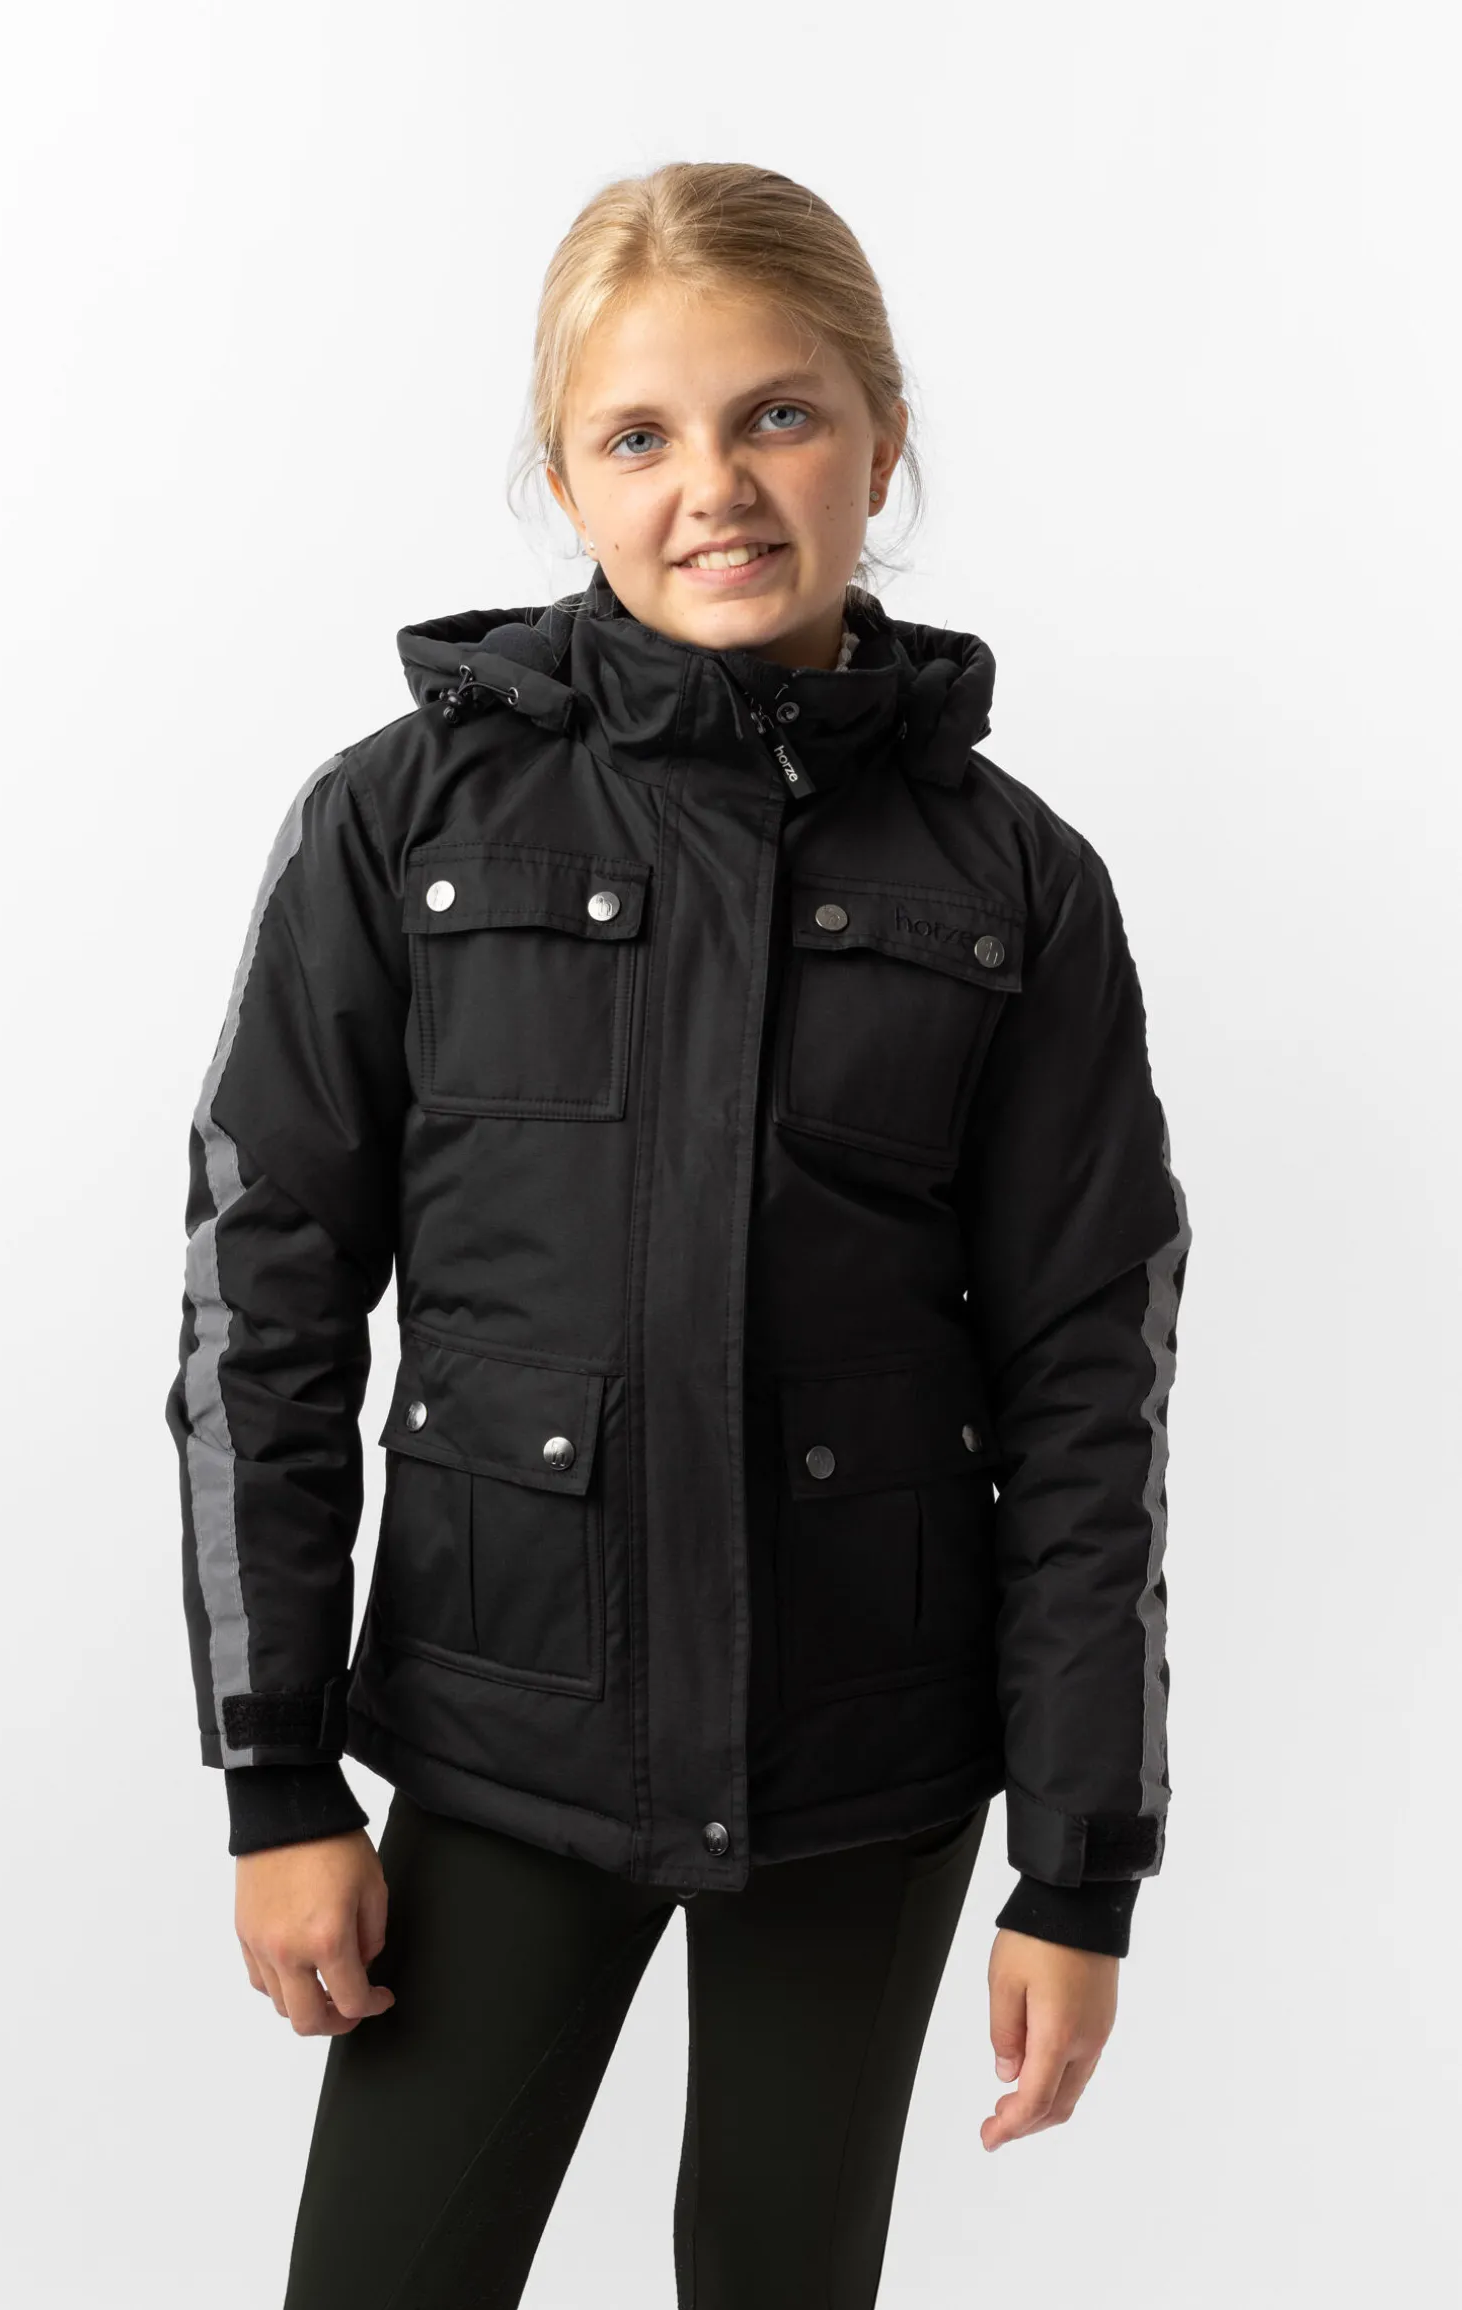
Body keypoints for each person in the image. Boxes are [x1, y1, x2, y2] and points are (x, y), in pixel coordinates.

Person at [167, 160, 1191, 2308]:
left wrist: (1076, 1863)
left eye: (777, 414)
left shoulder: (1018, 884)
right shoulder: (398, 824)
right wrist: (276, 1780)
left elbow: (1086, 1380)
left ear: (879, 442)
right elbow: (262, 1318)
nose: (712, 485)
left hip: (871, 1753)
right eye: (638, 434)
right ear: (564, 478)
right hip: (505, 1733)